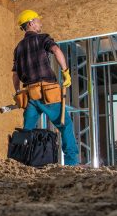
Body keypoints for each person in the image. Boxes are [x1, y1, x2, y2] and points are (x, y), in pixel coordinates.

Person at [12, 10, 79, 166]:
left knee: (26, 131)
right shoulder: (43, 38)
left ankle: (20, 165)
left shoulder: (19, 48)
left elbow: (15, 75)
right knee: (66, 126)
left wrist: (17, 92)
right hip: (48, 94)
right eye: (37, 21)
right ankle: (71, 165)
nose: (40, 23)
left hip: (30, 96)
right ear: (30, 23)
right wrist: (66, 72)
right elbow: (56, 50)